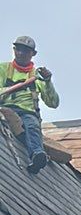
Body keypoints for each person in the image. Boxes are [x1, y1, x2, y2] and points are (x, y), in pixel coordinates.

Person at [0, 35, 59, 174]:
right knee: (17, 126)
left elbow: (53, 103)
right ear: (14, 49)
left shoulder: (37, 77)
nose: (21, 53)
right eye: (18, 49)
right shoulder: (3, 69)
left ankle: (37, 155)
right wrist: (16, 87)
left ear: (33, 53)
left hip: (27, 112)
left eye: (25, 51)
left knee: (31, 126)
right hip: (5, 109)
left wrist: (48, 82)